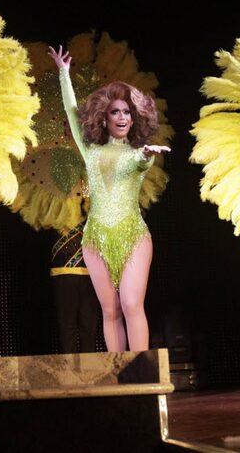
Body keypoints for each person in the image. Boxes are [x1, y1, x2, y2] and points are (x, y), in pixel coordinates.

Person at [48, 45, 170, 352]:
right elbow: (72, 113)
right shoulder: (91, 150)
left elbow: (139, 163)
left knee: (131, 304)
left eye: (127, 112)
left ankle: (142, 375)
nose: (122, 117)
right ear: (104, 118)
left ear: (134, 117)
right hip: (95, 239)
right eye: (115, 111)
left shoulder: (137, 154)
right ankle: (119, 380)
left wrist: (146, 155)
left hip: (132, 236)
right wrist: (64, 73)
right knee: (111, 310)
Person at [50, 223, 99, 353]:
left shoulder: (90, 204)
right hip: (62, 271)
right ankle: (68, 368)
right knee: (67, 326)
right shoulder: (53, 204)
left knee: (88, 325)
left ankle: (89, 368)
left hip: (90, 272)